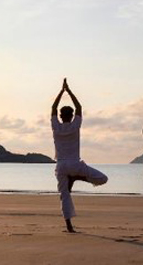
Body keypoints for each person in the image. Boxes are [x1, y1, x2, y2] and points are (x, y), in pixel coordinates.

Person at [51, 78, 108, 233]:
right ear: (71, 116)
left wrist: (61, 92)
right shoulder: (75, 125)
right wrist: (68, 91)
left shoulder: (56, 127)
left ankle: (69, 225)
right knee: (103, 179)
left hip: (61, 166)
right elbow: (79, 107)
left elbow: (53, 108)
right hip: (75, 164)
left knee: (64, 195)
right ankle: (78, 177)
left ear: (61, 116)